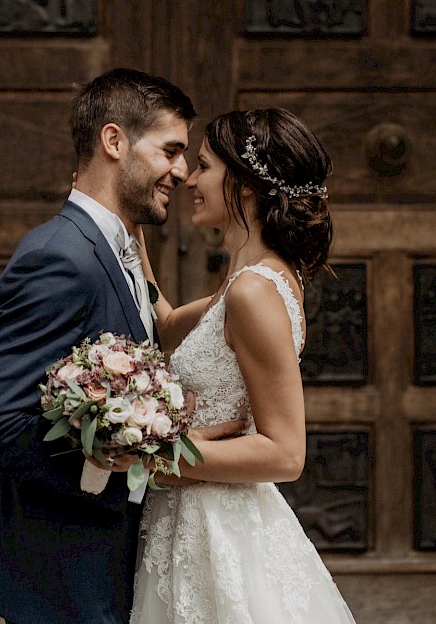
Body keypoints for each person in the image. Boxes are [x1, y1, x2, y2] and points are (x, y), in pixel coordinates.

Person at [0, 68, 236, 624]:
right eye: (171, 150)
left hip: (102, 562)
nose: (181, 170)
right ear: (114, 141)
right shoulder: (59, 256)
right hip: (61, 567)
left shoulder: (121, 249)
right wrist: (126, 457)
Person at [130, 108, 357, 622]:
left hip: (220, 531)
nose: (189, 177)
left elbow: (285, 452)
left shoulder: (254, 291)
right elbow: (166, 326)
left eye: (205, 166)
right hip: (197, 519)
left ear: (247, 185)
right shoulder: (248, 279)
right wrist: (130, 230)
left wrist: (157, 459)